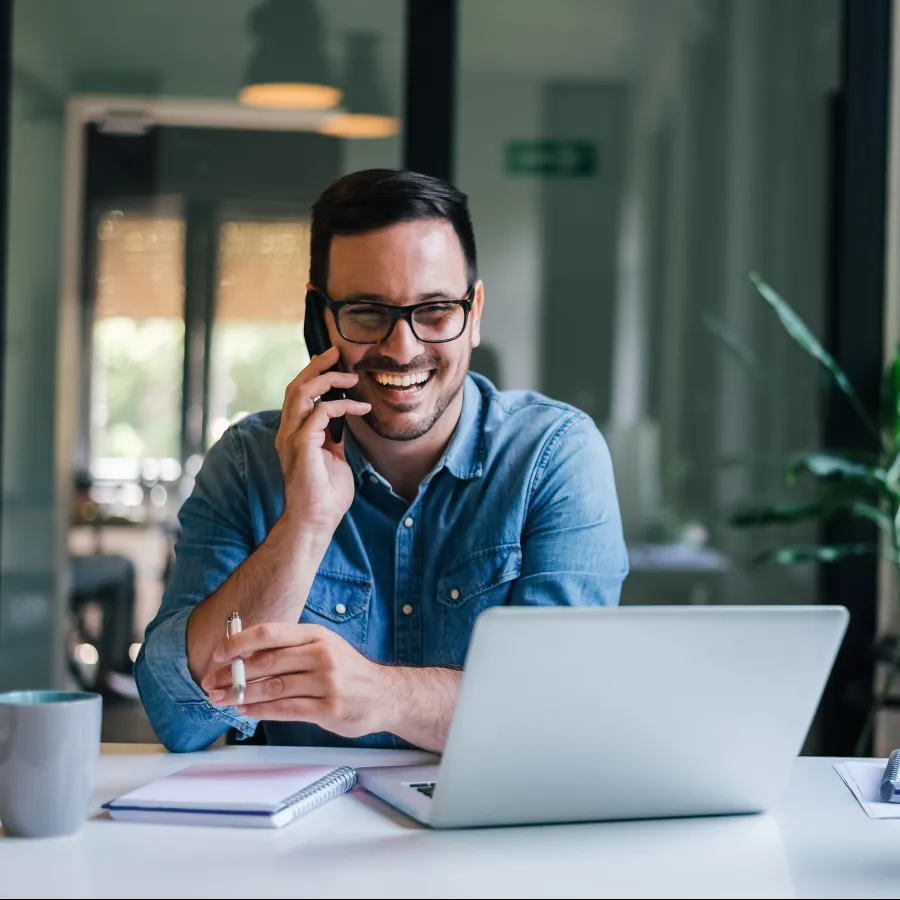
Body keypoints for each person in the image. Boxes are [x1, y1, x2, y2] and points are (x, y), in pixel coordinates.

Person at [135, 169, 628, 753]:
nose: (403, 348)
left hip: (489, 838)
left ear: (475, 312)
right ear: (321, 319)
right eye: (367, 313)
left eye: (436, 310)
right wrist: (305, 526)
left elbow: (562, 713)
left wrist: (382, 695)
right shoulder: (247, 463)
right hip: (297, 839)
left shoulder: (554, 456)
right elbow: (179, 718)